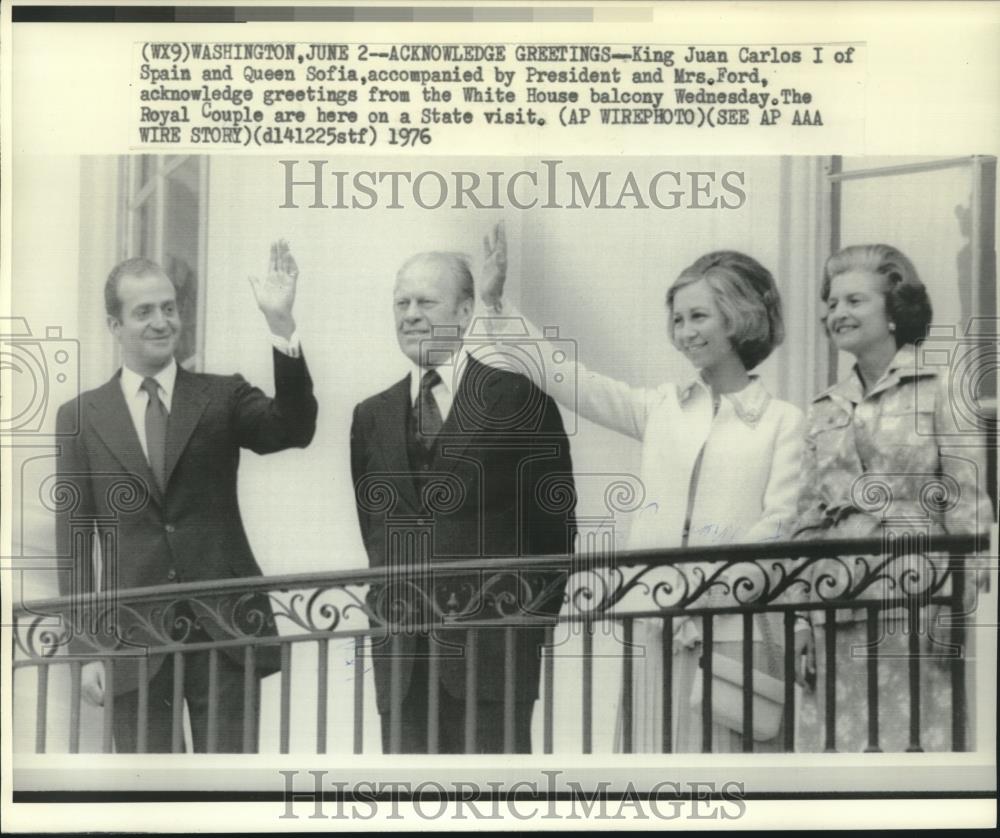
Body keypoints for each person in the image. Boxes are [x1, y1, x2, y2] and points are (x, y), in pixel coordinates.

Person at [479, 224, 807, 752]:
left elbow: (779, 524)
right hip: (656, 622)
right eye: (677, 319)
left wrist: (707, 593)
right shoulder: (662, 409)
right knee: (654, 770)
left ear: (740, 316)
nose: (685, 331)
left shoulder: (783, 421)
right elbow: (572, 379)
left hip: (733, 630)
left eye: (699, 316)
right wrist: (496, 305)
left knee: (728, 774)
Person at [54, 243, 318, 753]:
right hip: (132, 641)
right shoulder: (80, 418)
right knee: (152, 799)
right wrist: (84, 650)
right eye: (144, 311)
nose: (161, 322)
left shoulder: (221, 396)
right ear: (115, 325)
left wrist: (281, 325)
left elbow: (294, 428)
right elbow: (75, 543)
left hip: (223, 632)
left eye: (169, 308)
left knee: (232, 795)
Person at [350, 251, 576, 754]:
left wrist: (522, 633)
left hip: (492, 660)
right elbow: (377, 533)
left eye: (426, 301)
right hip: (402, 662)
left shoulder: (518, 398)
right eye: (401, 302)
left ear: (465, 310)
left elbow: (554, 530)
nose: (410, 314)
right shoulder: (371, 416)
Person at [793, 243, 992, 752]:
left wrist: (956, 604)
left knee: (915, 757)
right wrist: (799, 618)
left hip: (918, 609)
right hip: (834, 609)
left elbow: (967, 507)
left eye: (855, 301)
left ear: (894, 310)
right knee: (837, 770)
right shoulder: (822, 408)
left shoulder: (942, 389)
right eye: (832, 303)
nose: (838, 313)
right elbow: (806, 521)